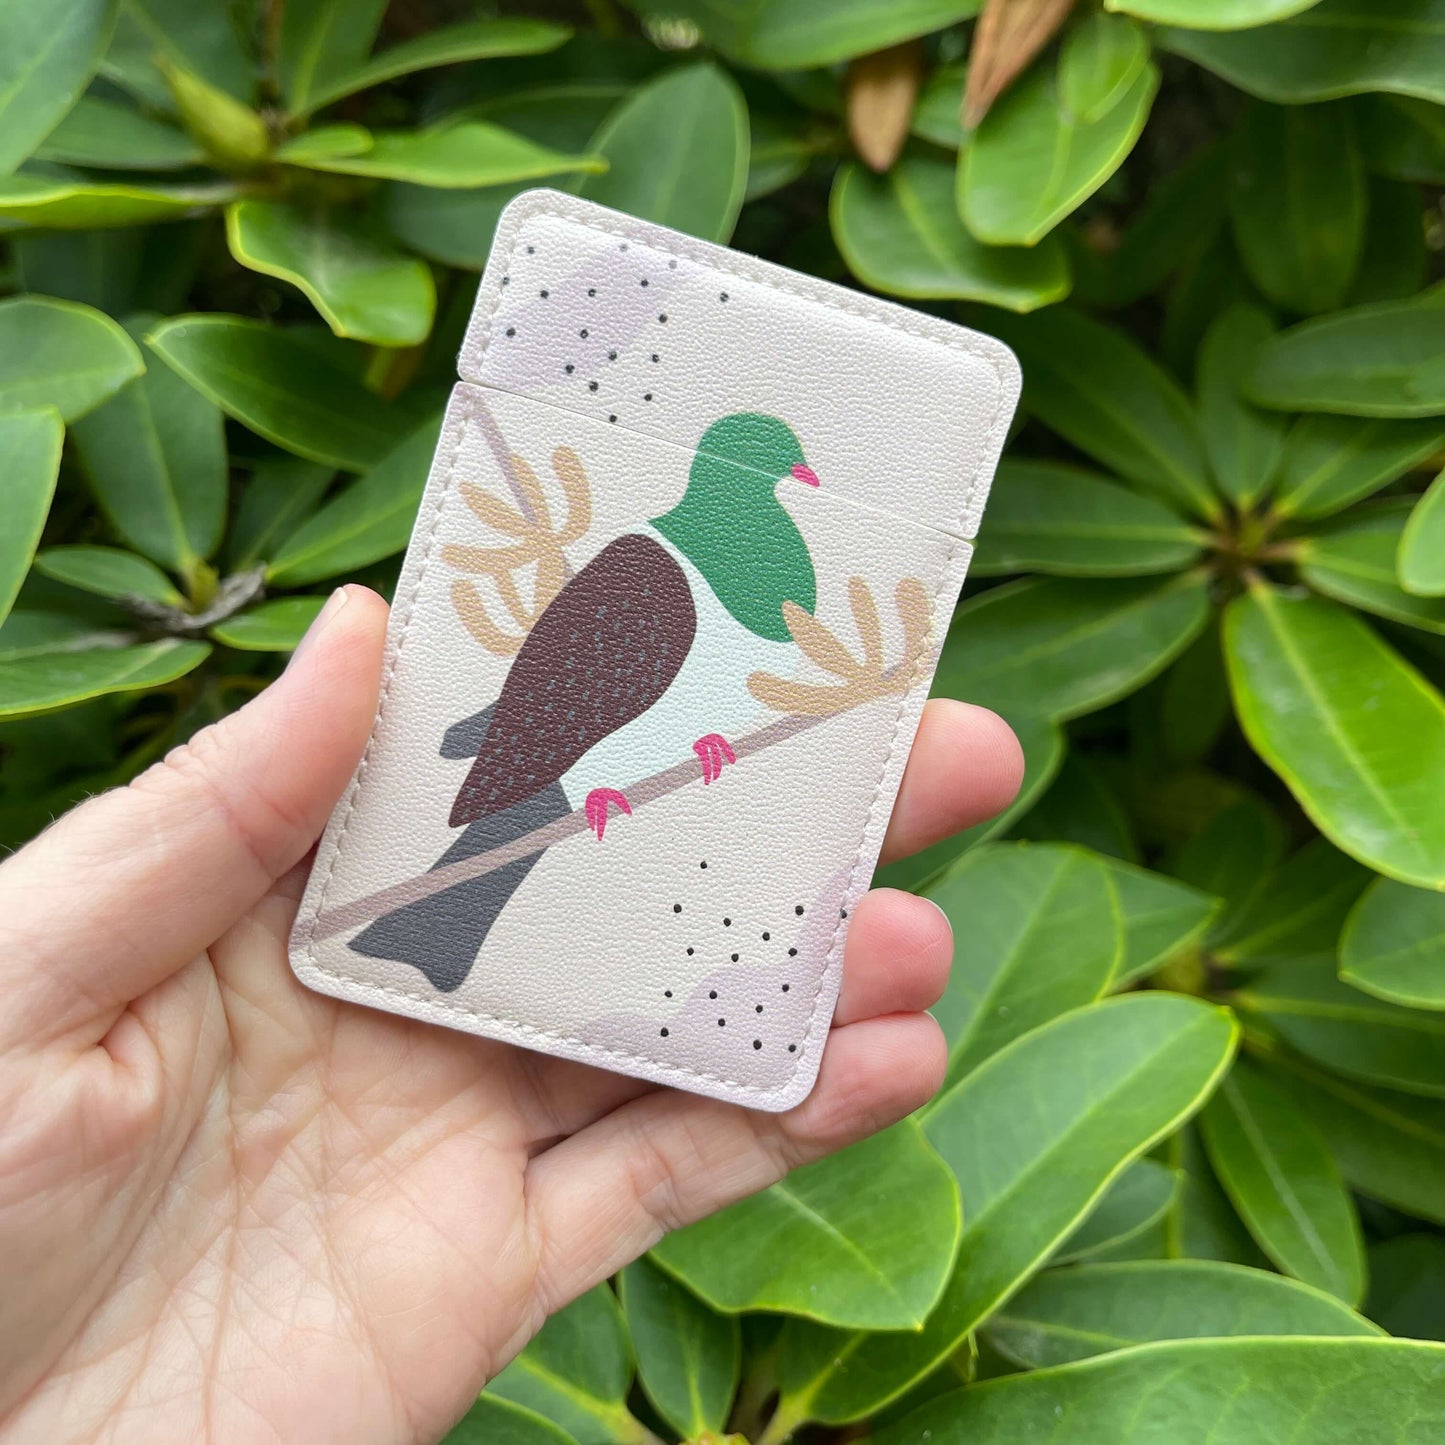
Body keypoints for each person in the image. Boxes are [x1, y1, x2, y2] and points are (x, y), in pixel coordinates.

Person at [0, 585, 1022, 1442]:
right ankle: (432, 927)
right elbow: (593, 692)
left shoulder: (770, 576)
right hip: (568, 773)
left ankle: (437, 927)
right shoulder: (648, 572)